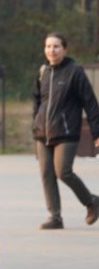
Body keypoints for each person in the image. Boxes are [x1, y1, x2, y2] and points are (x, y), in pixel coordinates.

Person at [31, 32, 99, 230]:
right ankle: (55, 216)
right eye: (48, 46)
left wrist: (97, 132)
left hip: (66, 132)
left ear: (65, 49)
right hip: (43, 133)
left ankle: (91, 201)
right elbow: (36, 100)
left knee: (63, 171)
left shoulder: (75, 72)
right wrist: (35, 122)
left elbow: (90, 103)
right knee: (46, 173)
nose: (52, 50)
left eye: (56, 46)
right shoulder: (43, 71)